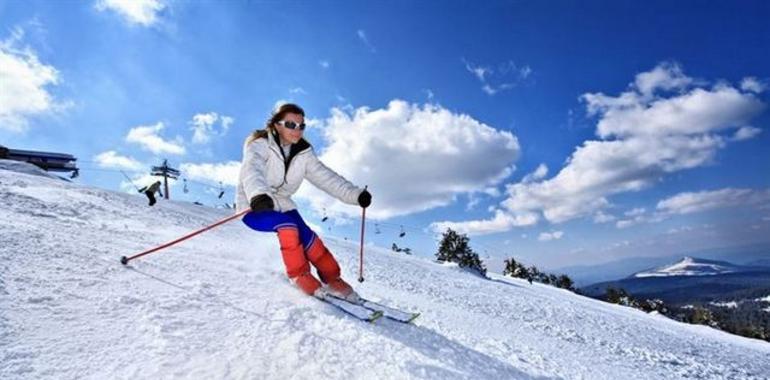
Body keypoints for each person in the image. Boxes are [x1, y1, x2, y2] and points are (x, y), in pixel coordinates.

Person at [236, 103, 372, 302]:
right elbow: (252, 170)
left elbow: (327, 178)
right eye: (291, 124)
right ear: (276, 125)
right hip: (255, 205)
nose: (297, 130)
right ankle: (299, 276)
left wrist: (356, 195)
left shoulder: (303, 153)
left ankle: (333, 280)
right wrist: (258, 195)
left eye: (301, 126)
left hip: (283, 204)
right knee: (288, 227)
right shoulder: (260, 145)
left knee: (309, 239)